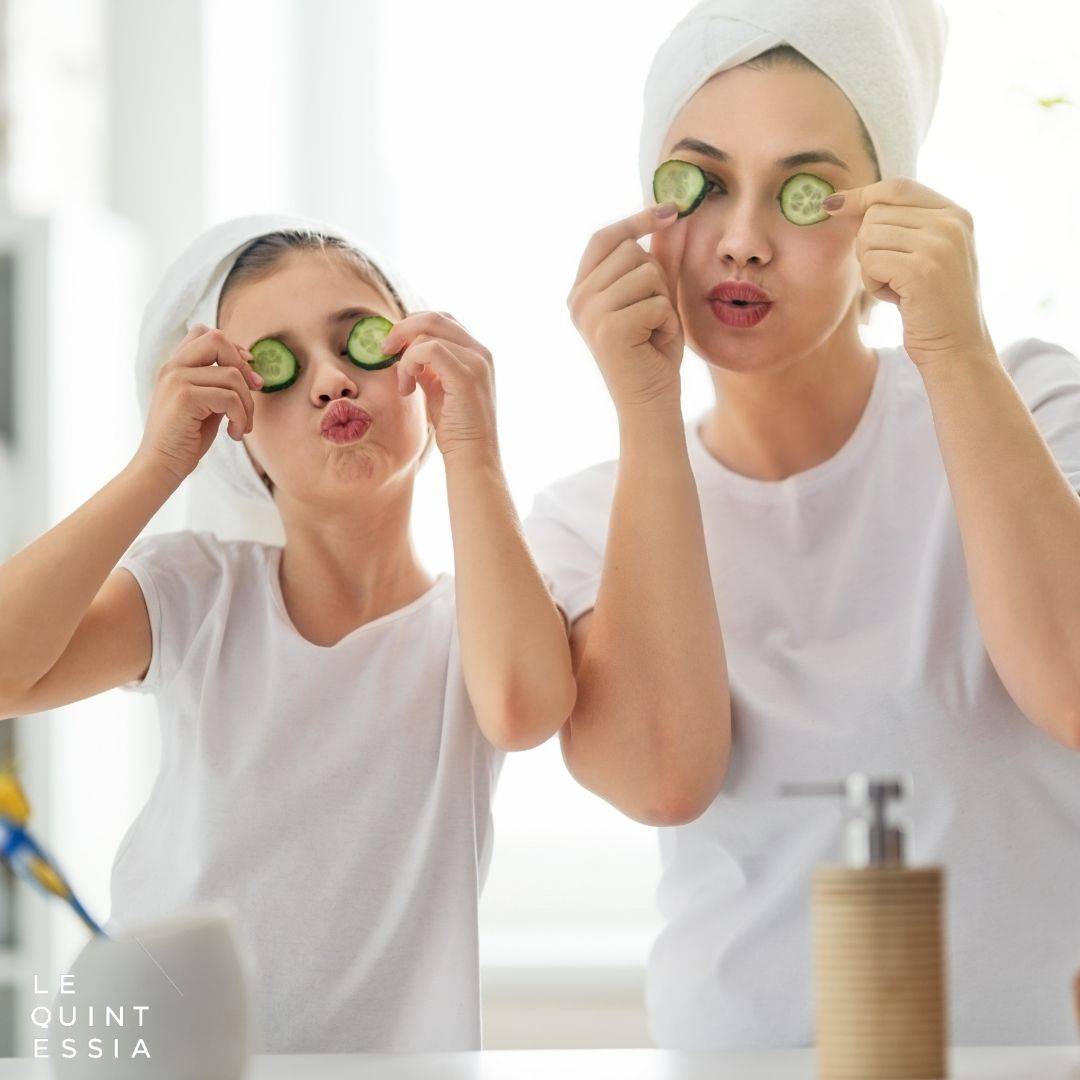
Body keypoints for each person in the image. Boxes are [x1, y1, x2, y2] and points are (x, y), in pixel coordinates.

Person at [524, 0, 1080, 1048]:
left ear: (888, 212)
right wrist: (647, 411)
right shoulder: (588, 515)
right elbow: (660, 777)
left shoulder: (1030, 405)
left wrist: (953, 343)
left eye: (805, 191)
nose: (742, 241)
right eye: (703, 183)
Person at [0, 214, 575, 1053]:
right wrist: (156, 465)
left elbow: (523, 709)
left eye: (362, 342)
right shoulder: (198, 590)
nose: (332, 380)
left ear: (419, 367)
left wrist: (473, 448)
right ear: (240, 431)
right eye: (280, 365)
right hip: (168, 1061)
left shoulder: (480, 624)